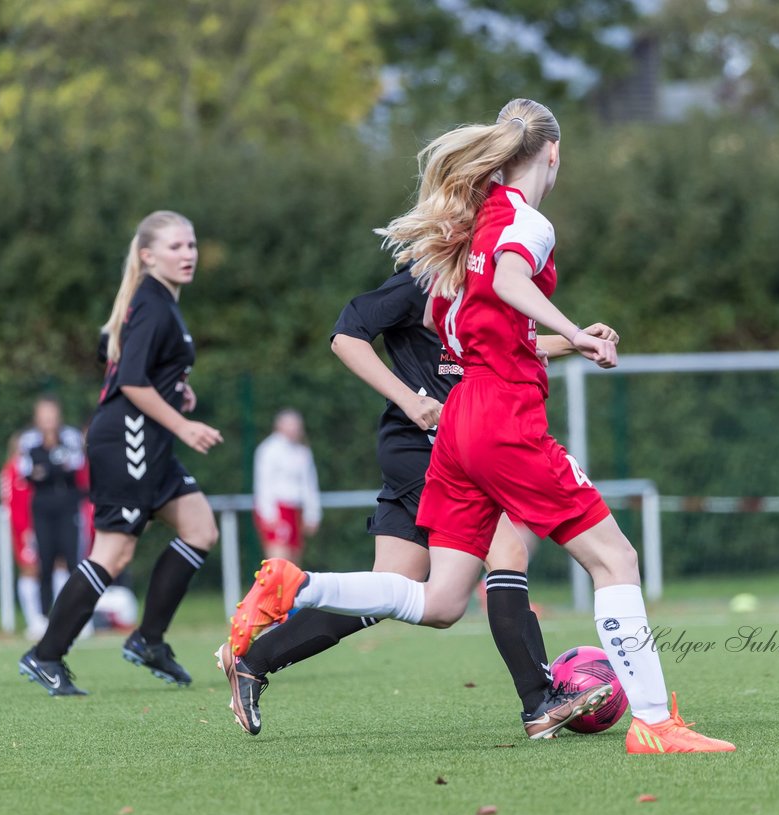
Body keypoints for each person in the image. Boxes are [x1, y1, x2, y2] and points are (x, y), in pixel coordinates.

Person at [227, 100, 734, 752]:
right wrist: (573, 329)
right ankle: (655, 723)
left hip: (460, 423)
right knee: (617, 559)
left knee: (439, 601)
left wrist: (559, 343)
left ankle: (297, 584)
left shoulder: (467, 227)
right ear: (552, 153)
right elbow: (511, 275)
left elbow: (475, 321)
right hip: (501, 418)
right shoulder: (524, 222)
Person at [219, 265, 607, 738]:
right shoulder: (422, 280)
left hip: (446, 443)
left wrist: (573, 340)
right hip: (427, 443)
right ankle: (539, 702)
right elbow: (346, 336)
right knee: (506, 551)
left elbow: (501, 348)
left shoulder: (477, 283)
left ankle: (252, 661)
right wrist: (408, 399)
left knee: (393, 585)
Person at [18, 210, 222, 696]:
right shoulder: (152, 301)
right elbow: (129, 380)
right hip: (127, 440)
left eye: (191, 245)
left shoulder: (159, 300)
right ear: (148, 255)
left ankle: (149, 640)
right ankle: (45, 655)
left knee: (200, 529)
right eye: (175, 247)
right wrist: (183, 424)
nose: (188, 254)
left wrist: (177, 393)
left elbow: (130, 366)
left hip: (148, 439)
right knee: (114, 550)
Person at [18, 395, 86, 614]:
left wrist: (46, 469)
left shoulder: (71, 437)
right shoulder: (28, 441)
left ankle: (77, 613)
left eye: (51, 415)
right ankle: (44, 616)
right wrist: (54, 467)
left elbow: (75, 465)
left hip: (68, 507)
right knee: (45, 561)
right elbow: (27, 472)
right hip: (43, 508)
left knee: (73, 560)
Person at [252, 409, 321, 562]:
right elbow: (263, 483)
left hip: (295, 510)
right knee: (278, 563)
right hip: (278, 510)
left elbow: (309, 484)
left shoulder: (302, 452)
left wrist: (312, 514)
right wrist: (268, 514)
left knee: (293, 566)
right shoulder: (268, 450)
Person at [0, 431, 46, 638]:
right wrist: (24, 529)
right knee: (29, 570)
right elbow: (10, 503)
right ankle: (33, 619)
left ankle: (45, 616)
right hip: (23, 528)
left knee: (47, 567)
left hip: (40, 524)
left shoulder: (32, 468)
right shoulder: (11, 470)